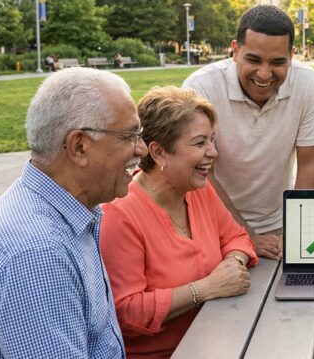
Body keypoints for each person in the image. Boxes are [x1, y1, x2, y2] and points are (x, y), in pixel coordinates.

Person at [0, 67, 147, 358]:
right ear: (79, 146)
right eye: (129, 136)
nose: (141, 148)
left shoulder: (57, 210)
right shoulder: (38, 253)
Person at [101, 86, 257, 358]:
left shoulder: (199, 189)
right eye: (200, 143)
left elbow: (237, 237)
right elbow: (127, 311)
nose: (213, 153)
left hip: (219, 339)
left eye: (212, 140)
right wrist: (206, 289)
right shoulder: (120, 214)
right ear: (159, 152)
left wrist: (233, 263)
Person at [182, 5, 314, 260]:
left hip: (279, 224)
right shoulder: (201, 86)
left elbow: (310, 165)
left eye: (278, 62)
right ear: (235, 51)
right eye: (254, 60)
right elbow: (202, 173)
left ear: (292, 56)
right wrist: (246, 235)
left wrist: (298, 233)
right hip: (212, 223)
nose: (264, 74)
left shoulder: (308, 83)